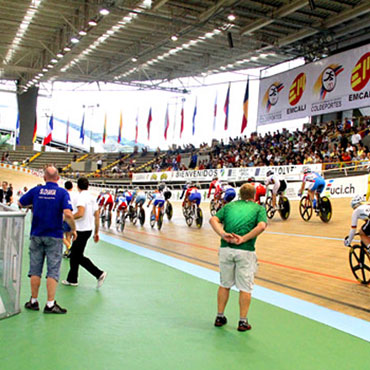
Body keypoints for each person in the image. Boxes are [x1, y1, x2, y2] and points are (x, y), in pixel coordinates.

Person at [18, 166, 76, 314]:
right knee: (53, 271)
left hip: (36, 234)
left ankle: (33, 301)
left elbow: (20, 203)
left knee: (35, 269)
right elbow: (68, 214)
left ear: (44, 178)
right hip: (54, 236)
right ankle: (50, 304)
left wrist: (35, 206)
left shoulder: (36, 191)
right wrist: (73, 229)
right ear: (58, 178)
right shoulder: (62, 193)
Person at [209, 183, 267, 331]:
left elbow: (212, 220)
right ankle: (242, 321)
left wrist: (222, 234)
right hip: (245, 251)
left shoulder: (229, 206)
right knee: (245, 288)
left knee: (224, 284)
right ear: (254, 196)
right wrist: (244, 238)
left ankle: (220, 316)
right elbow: (261, 226)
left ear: (239, 195)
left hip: (226, 248)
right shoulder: (258, 208)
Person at [62, 177, 107, 288]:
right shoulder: (92, 197)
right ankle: (72, 279)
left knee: (77, 256)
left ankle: (99, 273)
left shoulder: (81, 197)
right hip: (88, 230)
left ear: (77, 186)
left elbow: (80, 213)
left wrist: (67, 218)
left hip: (81, 231)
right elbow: (97, 216)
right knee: (74, 255)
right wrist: (96, 232)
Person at [63, 181, 77, 258]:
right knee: (68, 235)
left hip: (65, 216)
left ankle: (69, 247)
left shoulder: (64, 194)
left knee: (58, 234)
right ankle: (68, 251)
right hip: (73, 217)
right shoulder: (76, 195)